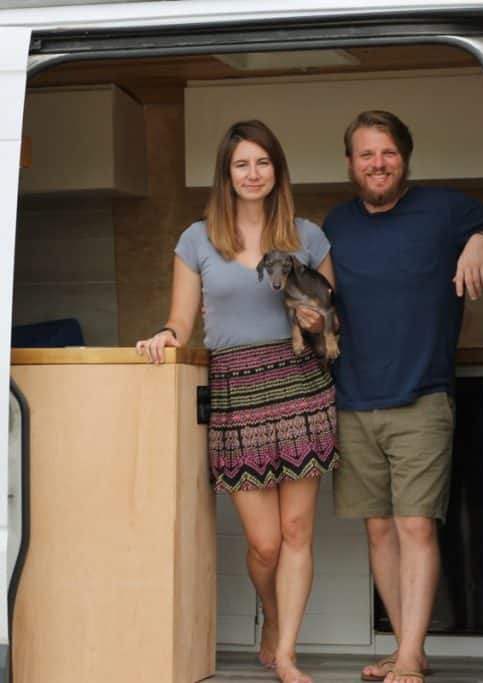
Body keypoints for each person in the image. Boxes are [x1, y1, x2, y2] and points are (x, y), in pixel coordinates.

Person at [136, 120, 338, 683]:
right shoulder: (196, 240)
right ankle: (271, 616)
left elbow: (327, 313)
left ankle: (288, 653)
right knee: (264, 543)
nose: (253, 174)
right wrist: (166, 337)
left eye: (263, 163)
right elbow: (181, 319)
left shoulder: (308, 236)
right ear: (227, 174)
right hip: (237, 393)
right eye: (242, 164)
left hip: (300, 386)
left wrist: (314, 321)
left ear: (278, 171)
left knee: (298, 533)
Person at [300, 110, 483, 683]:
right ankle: (411, 648)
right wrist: (311, 321)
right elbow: (326, 306)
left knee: (416, 527)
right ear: (351, 163)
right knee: (377, 529)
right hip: (352, 397)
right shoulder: (337, 223)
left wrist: (480, 240)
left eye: (387, 153)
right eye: (365, 155)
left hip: (421, 397)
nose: (377, 164)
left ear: (404, 156)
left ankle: (408, 654)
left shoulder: (449, 210)